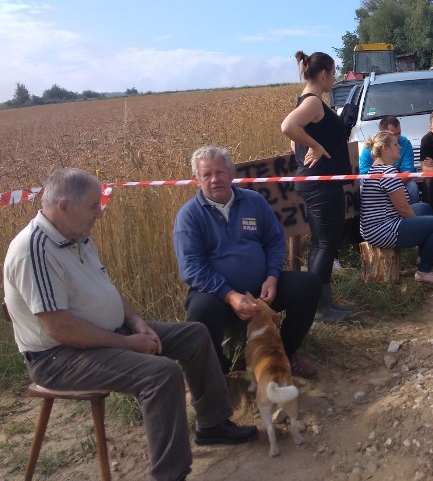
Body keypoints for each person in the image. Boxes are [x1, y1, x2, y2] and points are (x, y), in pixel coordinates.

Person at [3, 168, 257, 481]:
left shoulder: (75, 234)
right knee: (161, 374)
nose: (100, 213)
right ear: (64, 207)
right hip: (58, 358)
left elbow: (105, 289)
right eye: (94, 207)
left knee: (195, 334)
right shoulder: (35, 250)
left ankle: (214, 424)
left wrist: (136, 321)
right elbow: (59, 328)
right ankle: (169, 475)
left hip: (103, 335)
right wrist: (127, 343)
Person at [173, 146, 322, 379]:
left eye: (220, 172)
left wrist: (272, 277)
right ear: (196, 179)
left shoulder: (254, 201)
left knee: (309, 285)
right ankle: (220, 373)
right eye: (207, 175)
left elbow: (274, 241)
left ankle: (285, 353)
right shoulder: (189, 216)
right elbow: (191, 268)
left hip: (262, 288)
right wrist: (230, 295)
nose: (215, 180)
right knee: (200, 312)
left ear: (231, 173)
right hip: (217, 295)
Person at [281, 50, 354, 323]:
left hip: (318, 182)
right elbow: (287, 126)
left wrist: (309, 145)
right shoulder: (312, 102)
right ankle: (321, 308)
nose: (334, 78)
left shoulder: (308, 100)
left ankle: (325, 302)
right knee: (325, 244)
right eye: (334, 73)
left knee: (323, 244)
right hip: (321, 184)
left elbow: (294, 138)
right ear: (323, 73)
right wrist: (315, 146)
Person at [361, 130, 433, 285]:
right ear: (385, 149)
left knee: (425, 208)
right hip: (382, 230)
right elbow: (404, 210)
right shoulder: (387, 172)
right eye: (396, 144)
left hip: (375, 226)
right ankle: (424, 271)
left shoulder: (377, 169)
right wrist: (421, 228)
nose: (400, 148)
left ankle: (424, 255)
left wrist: (420, 223)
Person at [359, 115, 419, 204]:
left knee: (413, 187)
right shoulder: (368, 147)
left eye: (399, 133)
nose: (397, 137)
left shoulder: (405, 143)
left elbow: (407, 171)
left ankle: (413, 213)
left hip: (397, 182)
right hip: (375, 185)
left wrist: (392, 184)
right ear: (382, 134)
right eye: (393, 134)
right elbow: (364, 175)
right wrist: (388, 184)